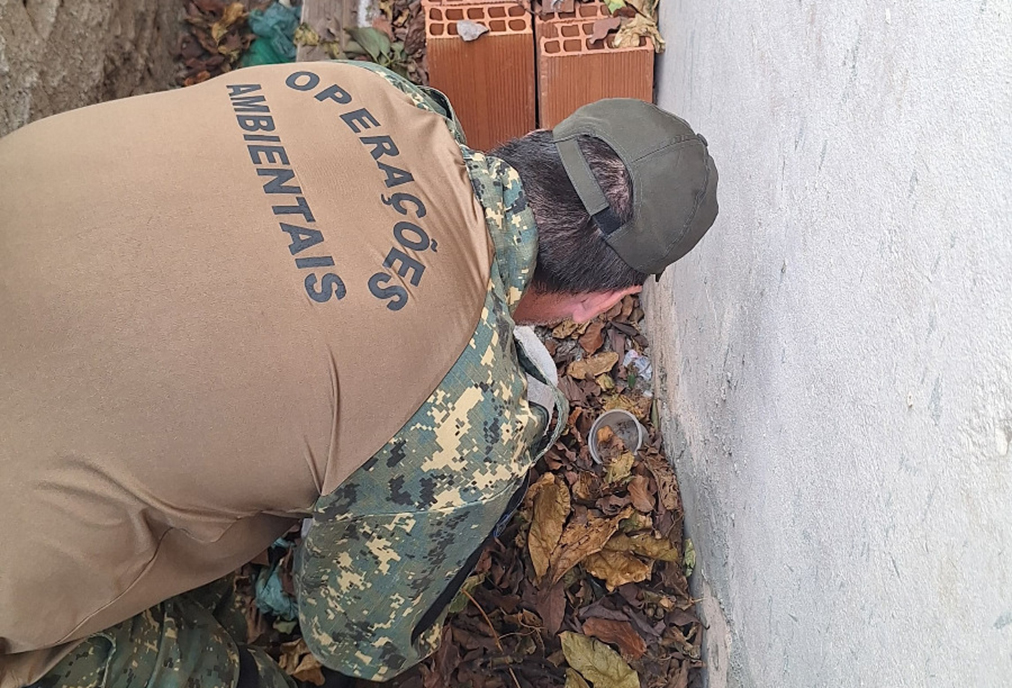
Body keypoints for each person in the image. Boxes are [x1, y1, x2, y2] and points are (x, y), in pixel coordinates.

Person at [0, 60, 718, 688]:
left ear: (540, 142)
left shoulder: (367, 86)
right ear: (606, 301)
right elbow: (355, 638)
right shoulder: (472, 418)